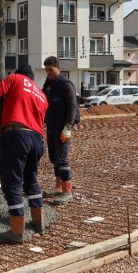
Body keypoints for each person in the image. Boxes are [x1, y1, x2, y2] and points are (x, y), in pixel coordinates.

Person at [0, 64, 49, 244]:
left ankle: (17, 230)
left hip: (17, 134)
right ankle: (38, 223)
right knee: (31, 180)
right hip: (38, 140)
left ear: (20, 74)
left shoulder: (15, 79)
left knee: (12, 182)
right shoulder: (41, 94)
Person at [42, 56, 78, 205]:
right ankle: (58, 187)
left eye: (51, 69)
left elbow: (72, 107)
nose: (48, 72)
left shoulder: (66, 84)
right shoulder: (49, 84)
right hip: (51, 126)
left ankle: (67, 191)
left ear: (58, 68)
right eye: (46, 70)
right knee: (54, 158)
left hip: (63, 128)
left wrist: (68, 127)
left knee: (62, 159)